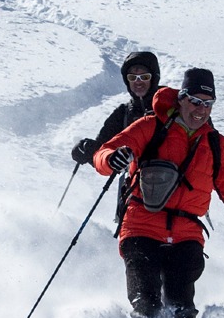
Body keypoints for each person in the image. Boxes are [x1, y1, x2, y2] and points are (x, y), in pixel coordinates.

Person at [92, 67, 224, 318]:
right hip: (141, 228)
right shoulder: (151, 127)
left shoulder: (218, 146)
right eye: (195, 101)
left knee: (181, 313)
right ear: (181, 98)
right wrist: (111, 159)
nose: (201, 109)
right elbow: (105, 152)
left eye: (208, 104)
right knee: (146, 305)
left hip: (186, 236)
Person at [69, 50, 160, 224]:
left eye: (144, 77)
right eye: (132, 78)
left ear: (154, 78)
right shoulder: (123, 114)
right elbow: (103, 151)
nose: (138, 82)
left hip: (172, 195)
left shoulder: (171, 107)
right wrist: (86, 151)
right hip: (133, 200)